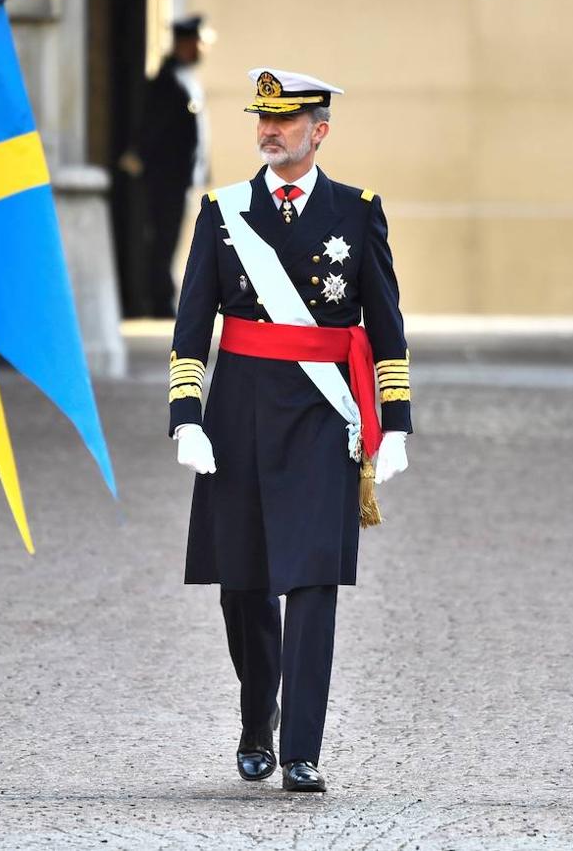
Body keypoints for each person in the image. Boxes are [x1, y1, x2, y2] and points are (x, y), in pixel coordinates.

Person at [169, 67, 411, 792]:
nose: (268, 131)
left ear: (319, 131)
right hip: (238, 413)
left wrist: (393, 426)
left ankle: (303, 747)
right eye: (261, 120)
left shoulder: (357, 210)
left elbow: (387, 327)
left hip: (322, 415)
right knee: (242, 584)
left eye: (284, 122)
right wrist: (187, 415)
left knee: (311, 581)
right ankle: (256, 721)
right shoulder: (223, 210)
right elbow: (190, 327)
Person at [122, 14, 210, 317]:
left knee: (170, 238)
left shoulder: (186, 77)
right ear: (187, 43)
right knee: (162, 237)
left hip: (181, 176)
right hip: (167, 177)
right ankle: (158, 299)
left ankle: (163, 296)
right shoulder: (168, 79)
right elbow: (155, 131)